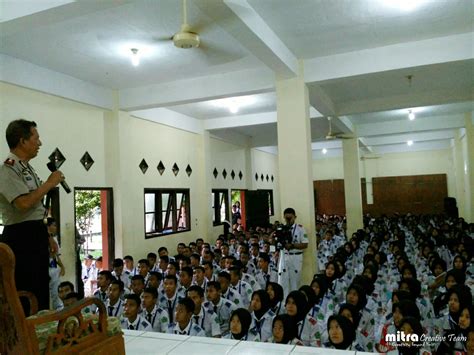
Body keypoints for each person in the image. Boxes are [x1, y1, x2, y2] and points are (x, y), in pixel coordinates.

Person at [0, 119, 64, 312]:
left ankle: (40, 333)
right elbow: (23, 203)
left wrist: (47, 236)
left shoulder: (26, 168)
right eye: (36, 138)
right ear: (22, 141)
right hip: (20, 237)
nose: (40, 143)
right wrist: (50, 183)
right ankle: (28, 336)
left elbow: (35, 209)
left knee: (40, 286)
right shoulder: (8, 169)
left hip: (34, 232)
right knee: (27, 290)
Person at [277, 208, 308, 297]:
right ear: (284, 217)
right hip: (284, 255)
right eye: (287, 218)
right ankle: (283, 303)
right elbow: (275, 241)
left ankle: (295, 300)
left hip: (295, 256)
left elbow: (305, 244)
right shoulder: (281, 228)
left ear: (295, 217)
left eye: (290, 218)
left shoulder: (300, 229)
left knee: (295, 281)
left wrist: (293, 245)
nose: (288, 220)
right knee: (282, 281)